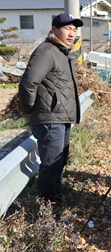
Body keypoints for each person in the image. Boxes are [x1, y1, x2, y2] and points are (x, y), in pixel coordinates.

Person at [18, 12, 83, 205]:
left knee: (58, 164)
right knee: (50, 167)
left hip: (61, 118)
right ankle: (50, 212)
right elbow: (28, 84)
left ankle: (55, 207)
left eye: (74, 29)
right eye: (66, 28)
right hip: (50, 119)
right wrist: (30, 109)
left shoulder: (63, 52)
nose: (71, 33)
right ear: (54, 29)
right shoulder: (47, 50)